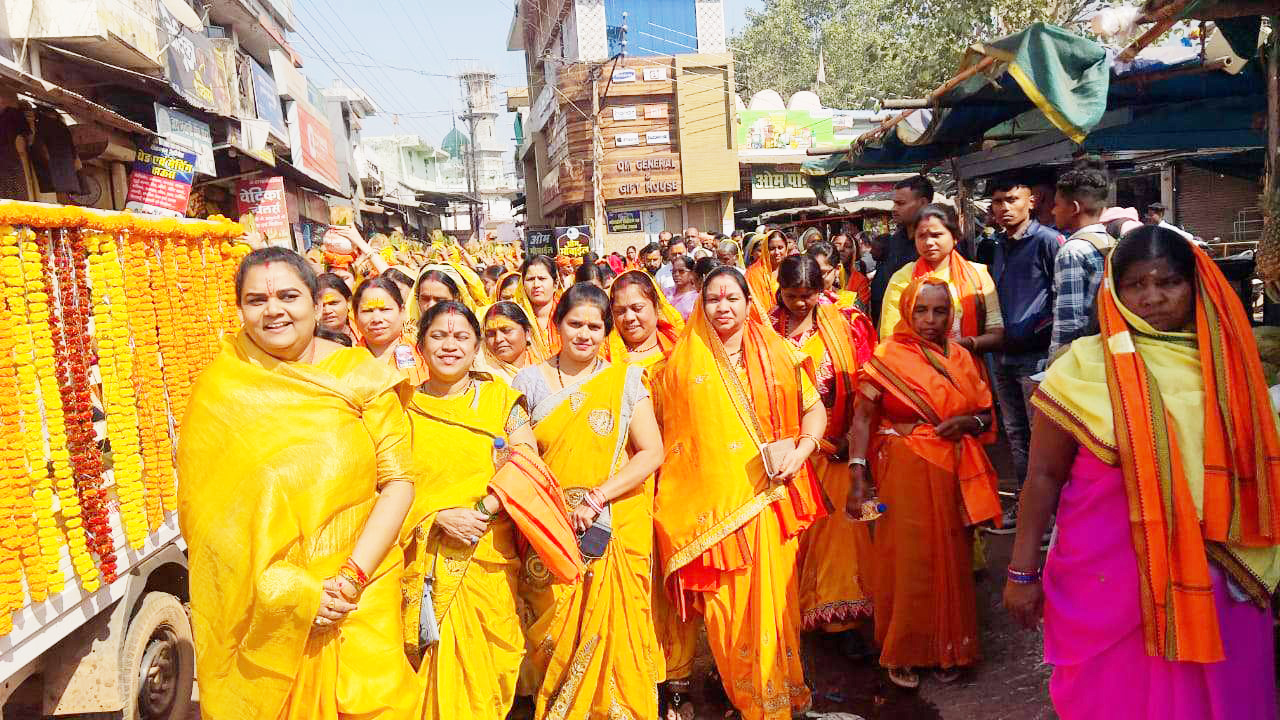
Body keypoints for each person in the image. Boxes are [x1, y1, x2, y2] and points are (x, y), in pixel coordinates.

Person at [1004, 227, 1280, 719]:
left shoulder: (1234, 370)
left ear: (1195, 286)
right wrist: (1023, 571)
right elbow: (1043, 476)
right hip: (1110, 583)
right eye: (1136, 285)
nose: (1152, 297)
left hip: (1221, 581)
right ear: (1114, 290)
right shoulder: (1080, 371)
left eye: (1168, 282)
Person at [177, 247, 419, 720]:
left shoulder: (361, 377)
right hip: (266, 606)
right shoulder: (221, 389)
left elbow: (399, 483)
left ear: (315, 301)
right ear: (240, 308)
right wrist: (291, 591)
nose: (274, 310)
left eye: (289, 295)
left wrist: (348, 581)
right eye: (255, 300)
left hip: (362, 594)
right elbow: (205, 521)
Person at [654, 267, 828, 720]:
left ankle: (780, 696)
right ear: (701, 305)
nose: (723, 307)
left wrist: (803, 450)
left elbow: (814, 410)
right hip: (715, 516)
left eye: (732, 297)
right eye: (712, 299)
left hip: (772, 502)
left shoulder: (779, 355)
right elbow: (672, 443)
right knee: (727, 616)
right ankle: (749, 700)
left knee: (776, 610)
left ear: (750, 302)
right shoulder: (678, 368)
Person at [403, 301, 580, 720]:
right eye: (439, 336)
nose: (450, 345)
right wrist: (436, 516)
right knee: (430, 676)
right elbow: (384, 482)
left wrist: (483, 509)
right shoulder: (402, 407)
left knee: (495, 667)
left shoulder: (502, 401)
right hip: (425, 558)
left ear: (476, 344)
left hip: (487, 555)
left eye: (461, 336)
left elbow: (527, 463)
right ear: (420, 346)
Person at [512, 284, 666, 719]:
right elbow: (520, 457)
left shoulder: (625, 381)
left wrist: (598, 496)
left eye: (595, 326)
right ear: (556, 324)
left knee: (612, 625)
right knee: (551, 622)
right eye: (574, 324)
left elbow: (651, 452)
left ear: (607, 331)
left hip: (609, 523)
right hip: (548, 526)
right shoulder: (528, 381)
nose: (584, 334)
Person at [848, 276, 1002, 689]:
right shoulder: (888, 356)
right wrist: (858, 474)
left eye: (939, 311)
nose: (930, 320)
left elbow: (985, 414)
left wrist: (967, 421)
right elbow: (862, 417)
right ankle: (904, 650)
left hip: (953, 466)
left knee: (953, 556)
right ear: (906, 311)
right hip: (903, 466)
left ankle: (951, 647)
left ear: (950, 314)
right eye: (921, 310)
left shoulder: (962, 358)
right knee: (906, 559)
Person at [769, 255, 877, 640]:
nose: (800, 303)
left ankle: (843, 622)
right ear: (778, 289)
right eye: (792, 295)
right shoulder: (765, 332)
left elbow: (866, 379)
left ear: (822, 290)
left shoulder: (847, 325)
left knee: (842, 535)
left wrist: (853, 437)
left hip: (838, 446)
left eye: (808, 295)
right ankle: (796, 619)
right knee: (797, 539)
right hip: (788, 449)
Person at [987, 174, 1062, 530]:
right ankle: (1027, 505)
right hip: (1002, 355)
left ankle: (1051, 515)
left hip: (1037, 357)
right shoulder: (997, 245)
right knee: (1016, 434)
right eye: (999, 201)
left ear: (1032, 200)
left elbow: (1062, 299)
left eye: (1012, 199)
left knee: (1043, 438)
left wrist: (1041, 337)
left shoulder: (1048, 241)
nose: (1004, 208)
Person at [879, 204, 1005, 355]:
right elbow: (890, 338)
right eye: (922, 236)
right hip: (915, 369)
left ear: (955, 237)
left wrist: (964, 345)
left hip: (969, 369)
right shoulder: (903, 278)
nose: (928, 242)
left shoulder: (977, 274)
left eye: (936, 235)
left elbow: (996, 335)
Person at [1049, 157, 1114, 358]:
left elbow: (1069, 321)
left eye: (1057, 204)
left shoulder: (1073, 251)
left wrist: (1055, 363)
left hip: (1082, 357)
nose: (1053, 211)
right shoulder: (1112, 242)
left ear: (1074, 208)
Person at [870, 175, 933, 326]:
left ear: (923, 203)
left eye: (901, 203)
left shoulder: (936, 244)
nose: (894, 209)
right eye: (894, 203)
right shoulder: (895, 241)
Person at [354, 276, 428, 386]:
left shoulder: (425, 353)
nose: (377, 319)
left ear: (402, 312)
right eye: (367, 311)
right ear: (355, 316)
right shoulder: (346, 361)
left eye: (385, 310)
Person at [607, 269, 685, 368]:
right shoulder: (603, 357)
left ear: (656, 307)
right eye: (620, 311)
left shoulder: (681, 347)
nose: (628, 317)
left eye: (637, 308)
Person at [514, 255, 560, 361]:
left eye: (542, 278)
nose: (536, 284)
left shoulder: (568, 314)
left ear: (555, 283)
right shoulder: (516, 318)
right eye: (530, 279)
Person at [482, 302, 535, 384]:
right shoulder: (483, 378)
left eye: (506, 330)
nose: (498, 339)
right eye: (491, 334)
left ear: (527, 332)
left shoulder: (545, 369)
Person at [744, 229, 787, 316]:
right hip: (763, 323)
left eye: (780, 248)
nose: (776, 252)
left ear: (786, 248)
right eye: (772, 249)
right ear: (765, 249)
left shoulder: (792, 269)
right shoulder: (753, 273)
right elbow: (753, 306)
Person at [318, 272, 356, 345]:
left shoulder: (363, 333)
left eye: (333, 303)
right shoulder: (308, 343)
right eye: (321, 305)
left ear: (349, 302)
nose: (327, 311)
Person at [664, 255, 699, 320]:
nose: (676, 274)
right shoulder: (666, 292)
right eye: (674, 271)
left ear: (692, 273)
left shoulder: (696, 298)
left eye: (681, 271)